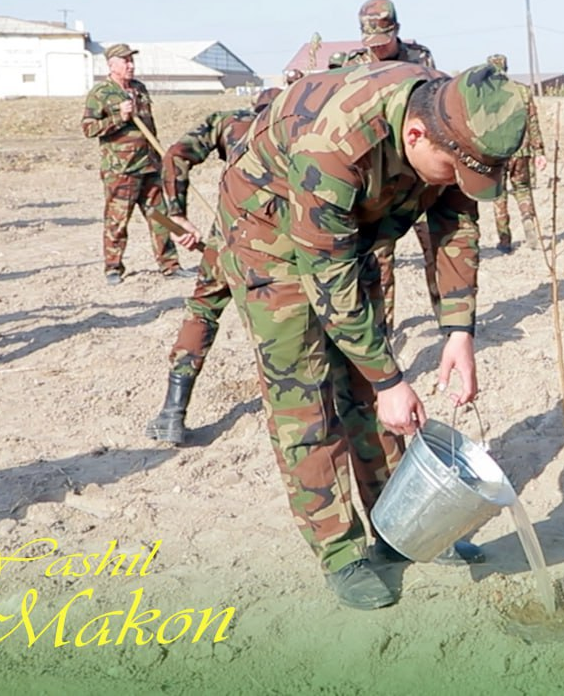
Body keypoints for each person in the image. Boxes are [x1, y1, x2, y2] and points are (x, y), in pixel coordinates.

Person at [217, 61, 527, 610]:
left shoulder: (454, 116)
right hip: (268, 232)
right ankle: (340, 551)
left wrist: (458, 330)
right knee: (307, 394)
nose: (458, 181)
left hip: (350, 230)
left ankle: (398, 524)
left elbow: (454, 224)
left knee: (369, 390)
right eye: (452, 170)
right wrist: (388, 379)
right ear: (415, 136)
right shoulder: (333, 145)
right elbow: (328, 278)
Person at [145, 87, 282, 445]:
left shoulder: (233, 122)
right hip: (289, 241)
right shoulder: (307, 127)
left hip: (230, 235)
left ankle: (172, 414)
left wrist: (176, 216)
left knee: (203, 311)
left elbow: (176, 154)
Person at [347, 0, 438, 327]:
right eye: (370, 43)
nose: (377, 49)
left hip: (419, 172)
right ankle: (382, 331)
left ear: (395, 30)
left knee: (436, 247)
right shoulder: (352, 65)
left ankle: (448, 323)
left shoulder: (420, 58)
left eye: (382, 42)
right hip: (379, 174)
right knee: (378, 258)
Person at [81, 43, 193, 285]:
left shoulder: (139, 89)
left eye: (132, 61)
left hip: (149, 165)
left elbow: (150, 126)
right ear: (112, 65)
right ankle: (113, 267)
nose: (131, 65)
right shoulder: (101, 93)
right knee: (117, 219)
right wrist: (118, 117)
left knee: (160, 216)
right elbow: (88, 128)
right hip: (121, 169)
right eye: (125, 61)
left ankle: (170, 265)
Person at [487, 53, 546, 253]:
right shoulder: (522, 90)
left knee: (499, 195)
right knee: (523, 189)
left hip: (497, 152)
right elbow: (533, 122)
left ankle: (504, 241)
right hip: (521, 149)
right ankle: (528, 219)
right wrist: (540, 151)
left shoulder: (486, 94)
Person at [346, 0, 435, 68]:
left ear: (396, 30)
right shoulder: (355, 63)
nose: (378, 46)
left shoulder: (420, 56)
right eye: (372, 43)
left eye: (383, 41)